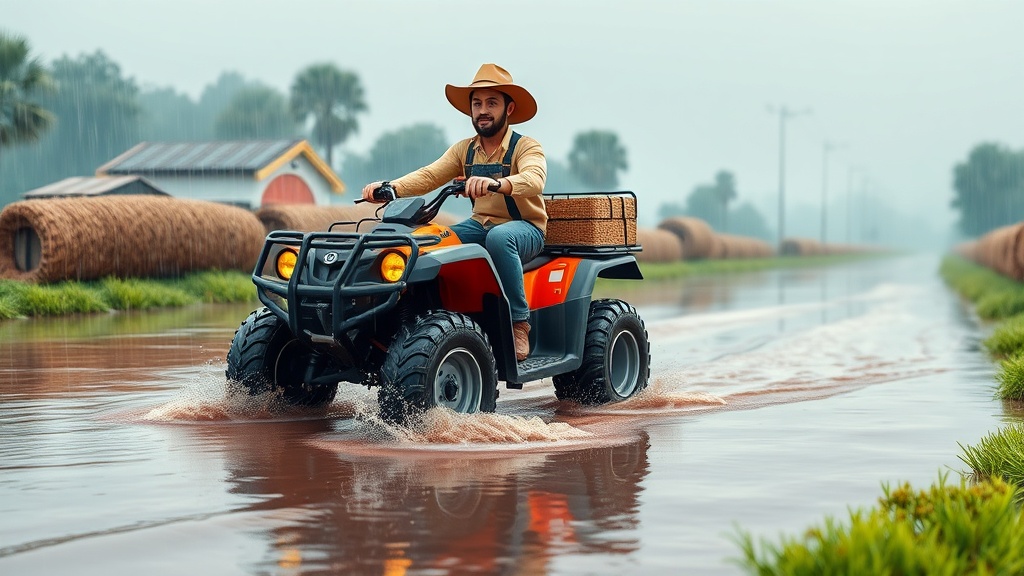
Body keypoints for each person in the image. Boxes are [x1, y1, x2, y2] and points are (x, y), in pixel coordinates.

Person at [362, 63, 547, 362]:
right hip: (479, 225)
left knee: (500, 238)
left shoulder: (526, 147)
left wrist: (496, 183)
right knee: (429, 241)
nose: (482, 110)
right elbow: (429, 175)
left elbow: (534, 179)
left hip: (524, 228)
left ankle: (519, 323)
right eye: (477, 104)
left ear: (509, 109)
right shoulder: (465, 150)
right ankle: (412, 319)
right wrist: (388, 187)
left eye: (491, 103)